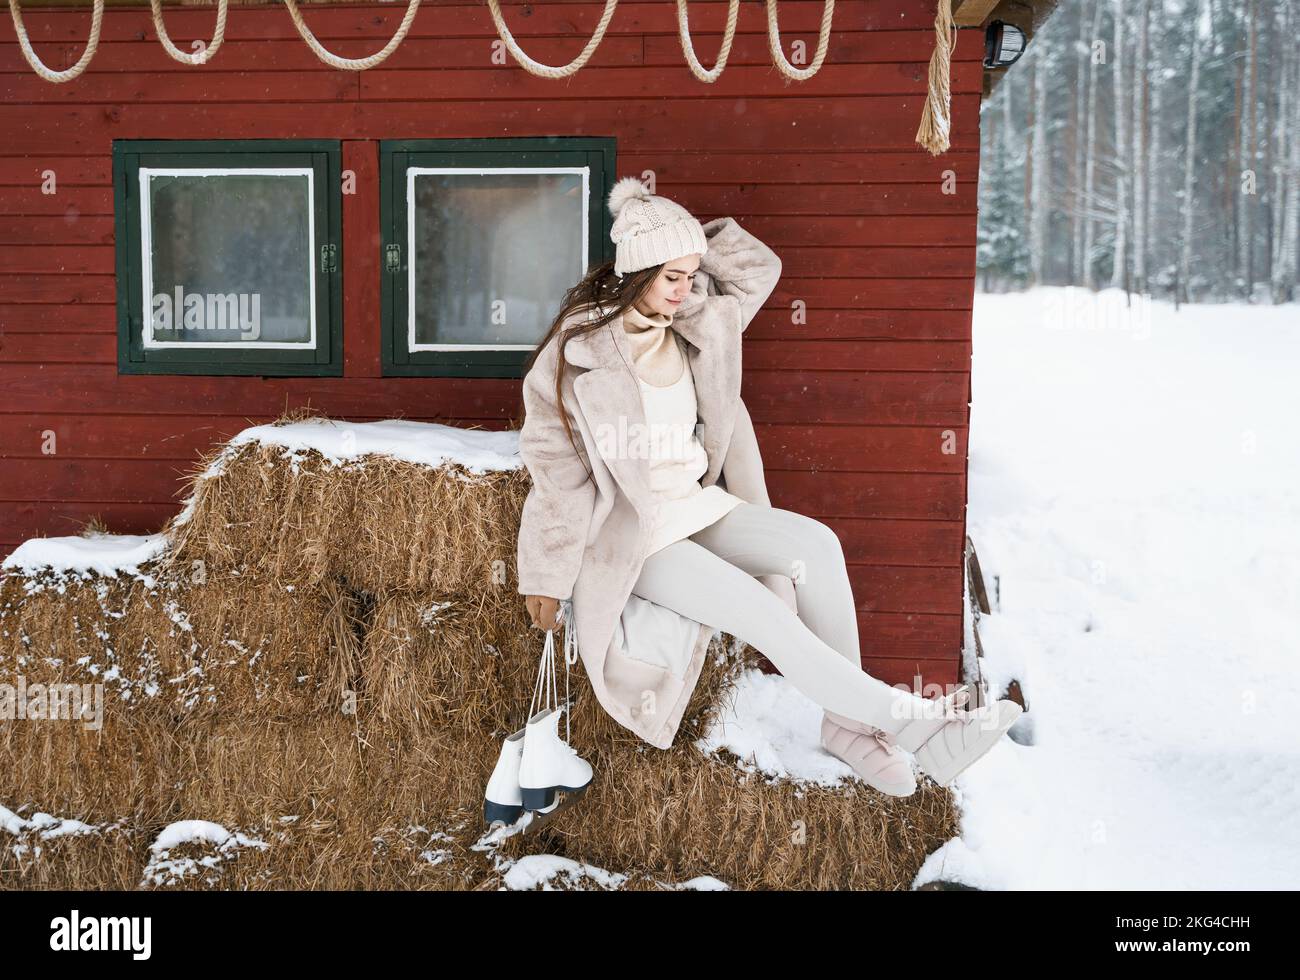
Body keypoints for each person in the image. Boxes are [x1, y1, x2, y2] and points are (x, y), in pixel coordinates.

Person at [517, 177, 1020, 796]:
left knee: (817, 545)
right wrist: (544, 574)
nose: (686, 289)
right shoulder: (579, 349)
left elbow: (759, 266)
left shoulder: (701, 323)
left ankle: (845, 726)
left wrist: (676, 233)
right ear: (635, 269)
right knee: (762, 612)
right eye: (671, 276)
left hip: (699, 505)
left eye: (691, 274)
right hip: (636, 533)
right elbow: (554, 466)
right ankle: (916, 729)